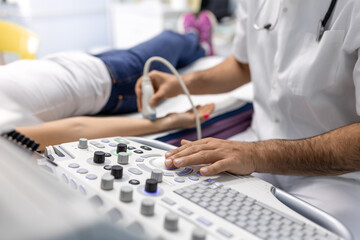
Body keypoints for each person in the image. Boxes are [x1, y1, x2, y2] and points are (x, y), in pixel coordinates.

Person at [136, 2, 360, 238]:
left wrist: (257, 154)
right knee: (176, 209)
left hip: (338, 178)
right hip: (255, 146)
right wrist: (183, 84)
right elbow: (243, 64)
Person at [0, 12, 216, 151]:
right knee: (170, 39)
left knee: (172, 53)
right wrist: (169, 121)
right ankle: (197, 39)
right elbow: (77, 127)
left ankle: (199, 49)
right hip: (111, 81)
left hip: (78, 61)